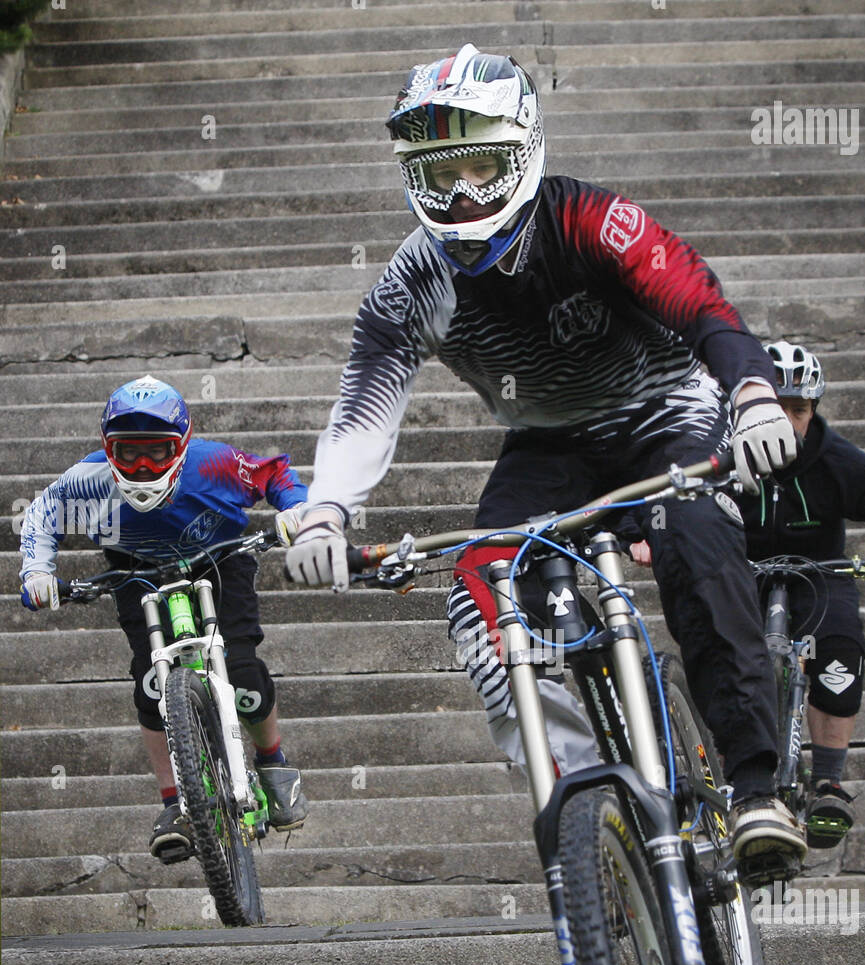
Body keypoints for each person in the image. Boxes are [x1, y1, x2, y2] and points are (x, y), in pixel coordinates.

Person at [284, 43, 809, 880]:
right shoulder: (410, 282)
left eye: (481, 168)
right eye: (437, 175)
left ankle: (754, 789)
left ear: (525, 150)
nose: (458, 197)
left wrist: (749, 395)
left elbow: (697, 299)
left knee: (700, 546)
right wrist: (324, 509)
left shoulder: (591, 221)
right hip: (548, 442)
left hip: (665, 413)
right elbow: (363, 408)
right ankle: (581, 798)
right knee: (480, 590)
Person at [19, 374, 310, 862]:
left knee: (245, 678)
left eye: (157, 450)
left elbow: (274, 473)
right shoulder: (85, 480)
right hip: (135, 573)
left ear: (183, 445)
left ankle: (274, 765)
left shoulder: (216, 464)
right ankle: (175, 803)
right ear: (107, 449)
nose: (143, 466)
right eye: (128, 452)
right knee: (151, 688)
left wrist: (298, 508)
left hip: (220, 559)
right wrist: (37, 572)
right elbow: (40, 516)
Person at [737, 340, 865, 845]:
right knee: (724, 656)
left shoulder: (833, 458)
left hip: (821, 574)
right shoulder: (720, 455)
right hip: (739, 574)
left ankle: (828, 779)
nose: (787, 421)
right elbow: (668, 497)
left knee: (840, 647)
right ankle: (739, 777)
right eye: (776, 408)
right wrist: (646, 533)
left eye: (799, 409)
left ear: (814, 410)